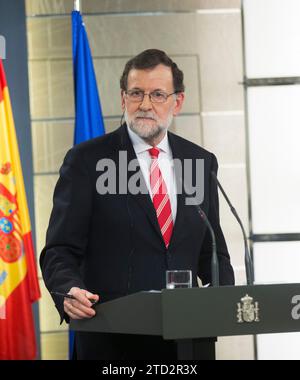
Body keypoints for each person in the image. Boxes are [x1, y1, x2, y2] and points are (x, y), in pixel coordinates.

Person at [40, 49, 234, 360]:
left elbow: (212, 251)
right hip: (114, 339)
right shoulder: (88, 161)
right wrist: (67, 289)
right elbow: (60, 249)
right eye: (136, 93)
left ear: (177, 102)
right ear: (123, 98)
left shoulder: (199, 161)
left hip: (189, 340)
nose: (145, 104)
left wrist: (223, 302)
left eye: (158, 94)